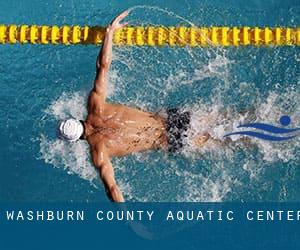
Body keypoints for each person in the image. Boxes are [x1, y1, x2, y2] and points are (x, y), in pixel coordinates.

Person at [58, 11, 210, 202]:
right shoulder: (95, 105)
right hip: (172, 118)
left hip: (171, 140)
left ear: (76, 140)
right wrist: (109, 33)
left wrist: (129, 221)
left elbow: (112, 189)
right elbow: (103, 66)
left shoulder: (99, 152)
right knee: (226, 118)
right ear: (76, 119)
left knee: (228, 141)